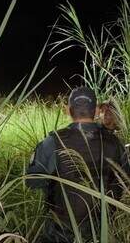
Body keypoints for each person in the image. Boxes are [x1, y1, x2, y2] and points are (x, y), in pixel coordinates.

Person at [26, 86, 130, 243]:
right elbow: (125, 181)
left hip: (62, 232)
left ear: (67, 110)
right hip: (105, 230)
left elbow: (32, 182)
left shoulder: (52, 142)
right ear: (96, 111)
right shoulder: (116, 143)